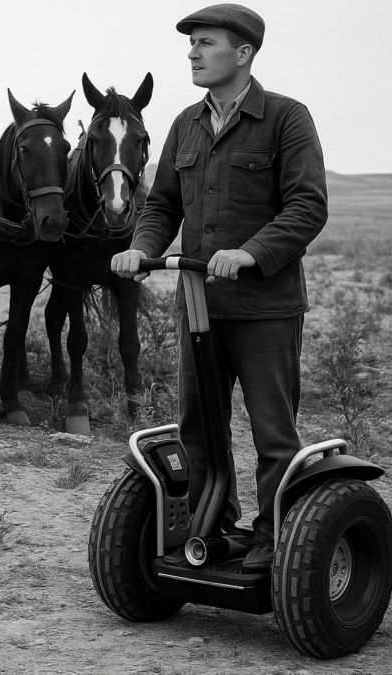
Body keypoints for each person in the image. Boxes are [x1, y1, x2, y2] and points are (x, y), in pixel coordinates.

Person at [111, 3, 328, 570]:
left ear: (244, 53)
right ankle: (218, 528)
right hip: (198, 304)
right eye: (191, 45)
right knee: (198, 427)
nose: (192, 53)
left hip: (265, 307)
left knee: (271, 429)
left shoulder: (286, 118)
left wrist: (252, 252)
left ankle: (275, 537)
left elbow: (308, 207)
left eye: (205, 43)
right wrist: (143, 246)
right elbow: (160, 203)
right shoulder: (185, 123)